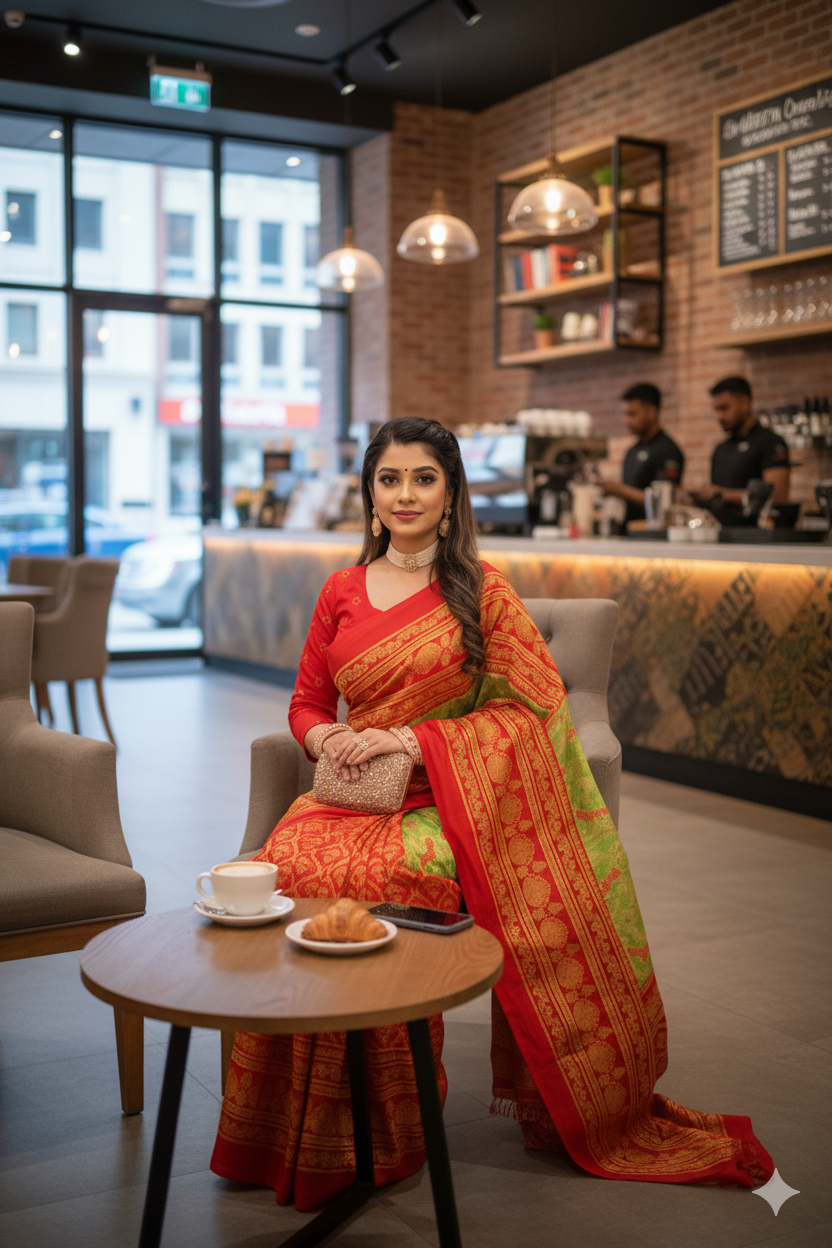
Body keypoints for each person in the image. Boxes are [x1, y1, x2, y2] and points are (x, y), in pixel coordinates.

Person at [211, 416, 773, 1209]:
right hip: (346, 796)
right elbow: (305, 702)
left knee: (391, 874)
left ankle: (389, 1129)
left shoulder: (483, 593)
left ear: (450, 495)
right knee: (295, 864)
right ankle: (284, 1126)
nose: (405, 495)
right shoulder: (339, 589)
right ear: (371, 494)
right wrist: (331, 733)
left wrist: (410, 740)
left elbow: (533, 715)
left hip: (442, 801)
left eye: (423, 479)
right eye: (389, 479)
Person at [691, 376, 790, 525]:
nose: (719, 416)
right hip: (720, 534)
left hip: (756, 537)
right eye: (716, 410)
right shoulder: (721, 449)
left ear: (745, 403)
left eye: (724, 408)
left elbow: (777, 497)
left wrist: (722, 494)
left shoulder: (770, 442)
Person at [601, 383, 684, 526]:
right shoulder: (632, 451)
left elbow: (665, 501)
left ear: (652, 412)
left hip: (653, 534)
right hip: (630, 530)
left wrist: (619, 490)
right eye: (625, 414)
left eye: (632, 414)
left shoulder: (668, 450)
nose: (627, 421)